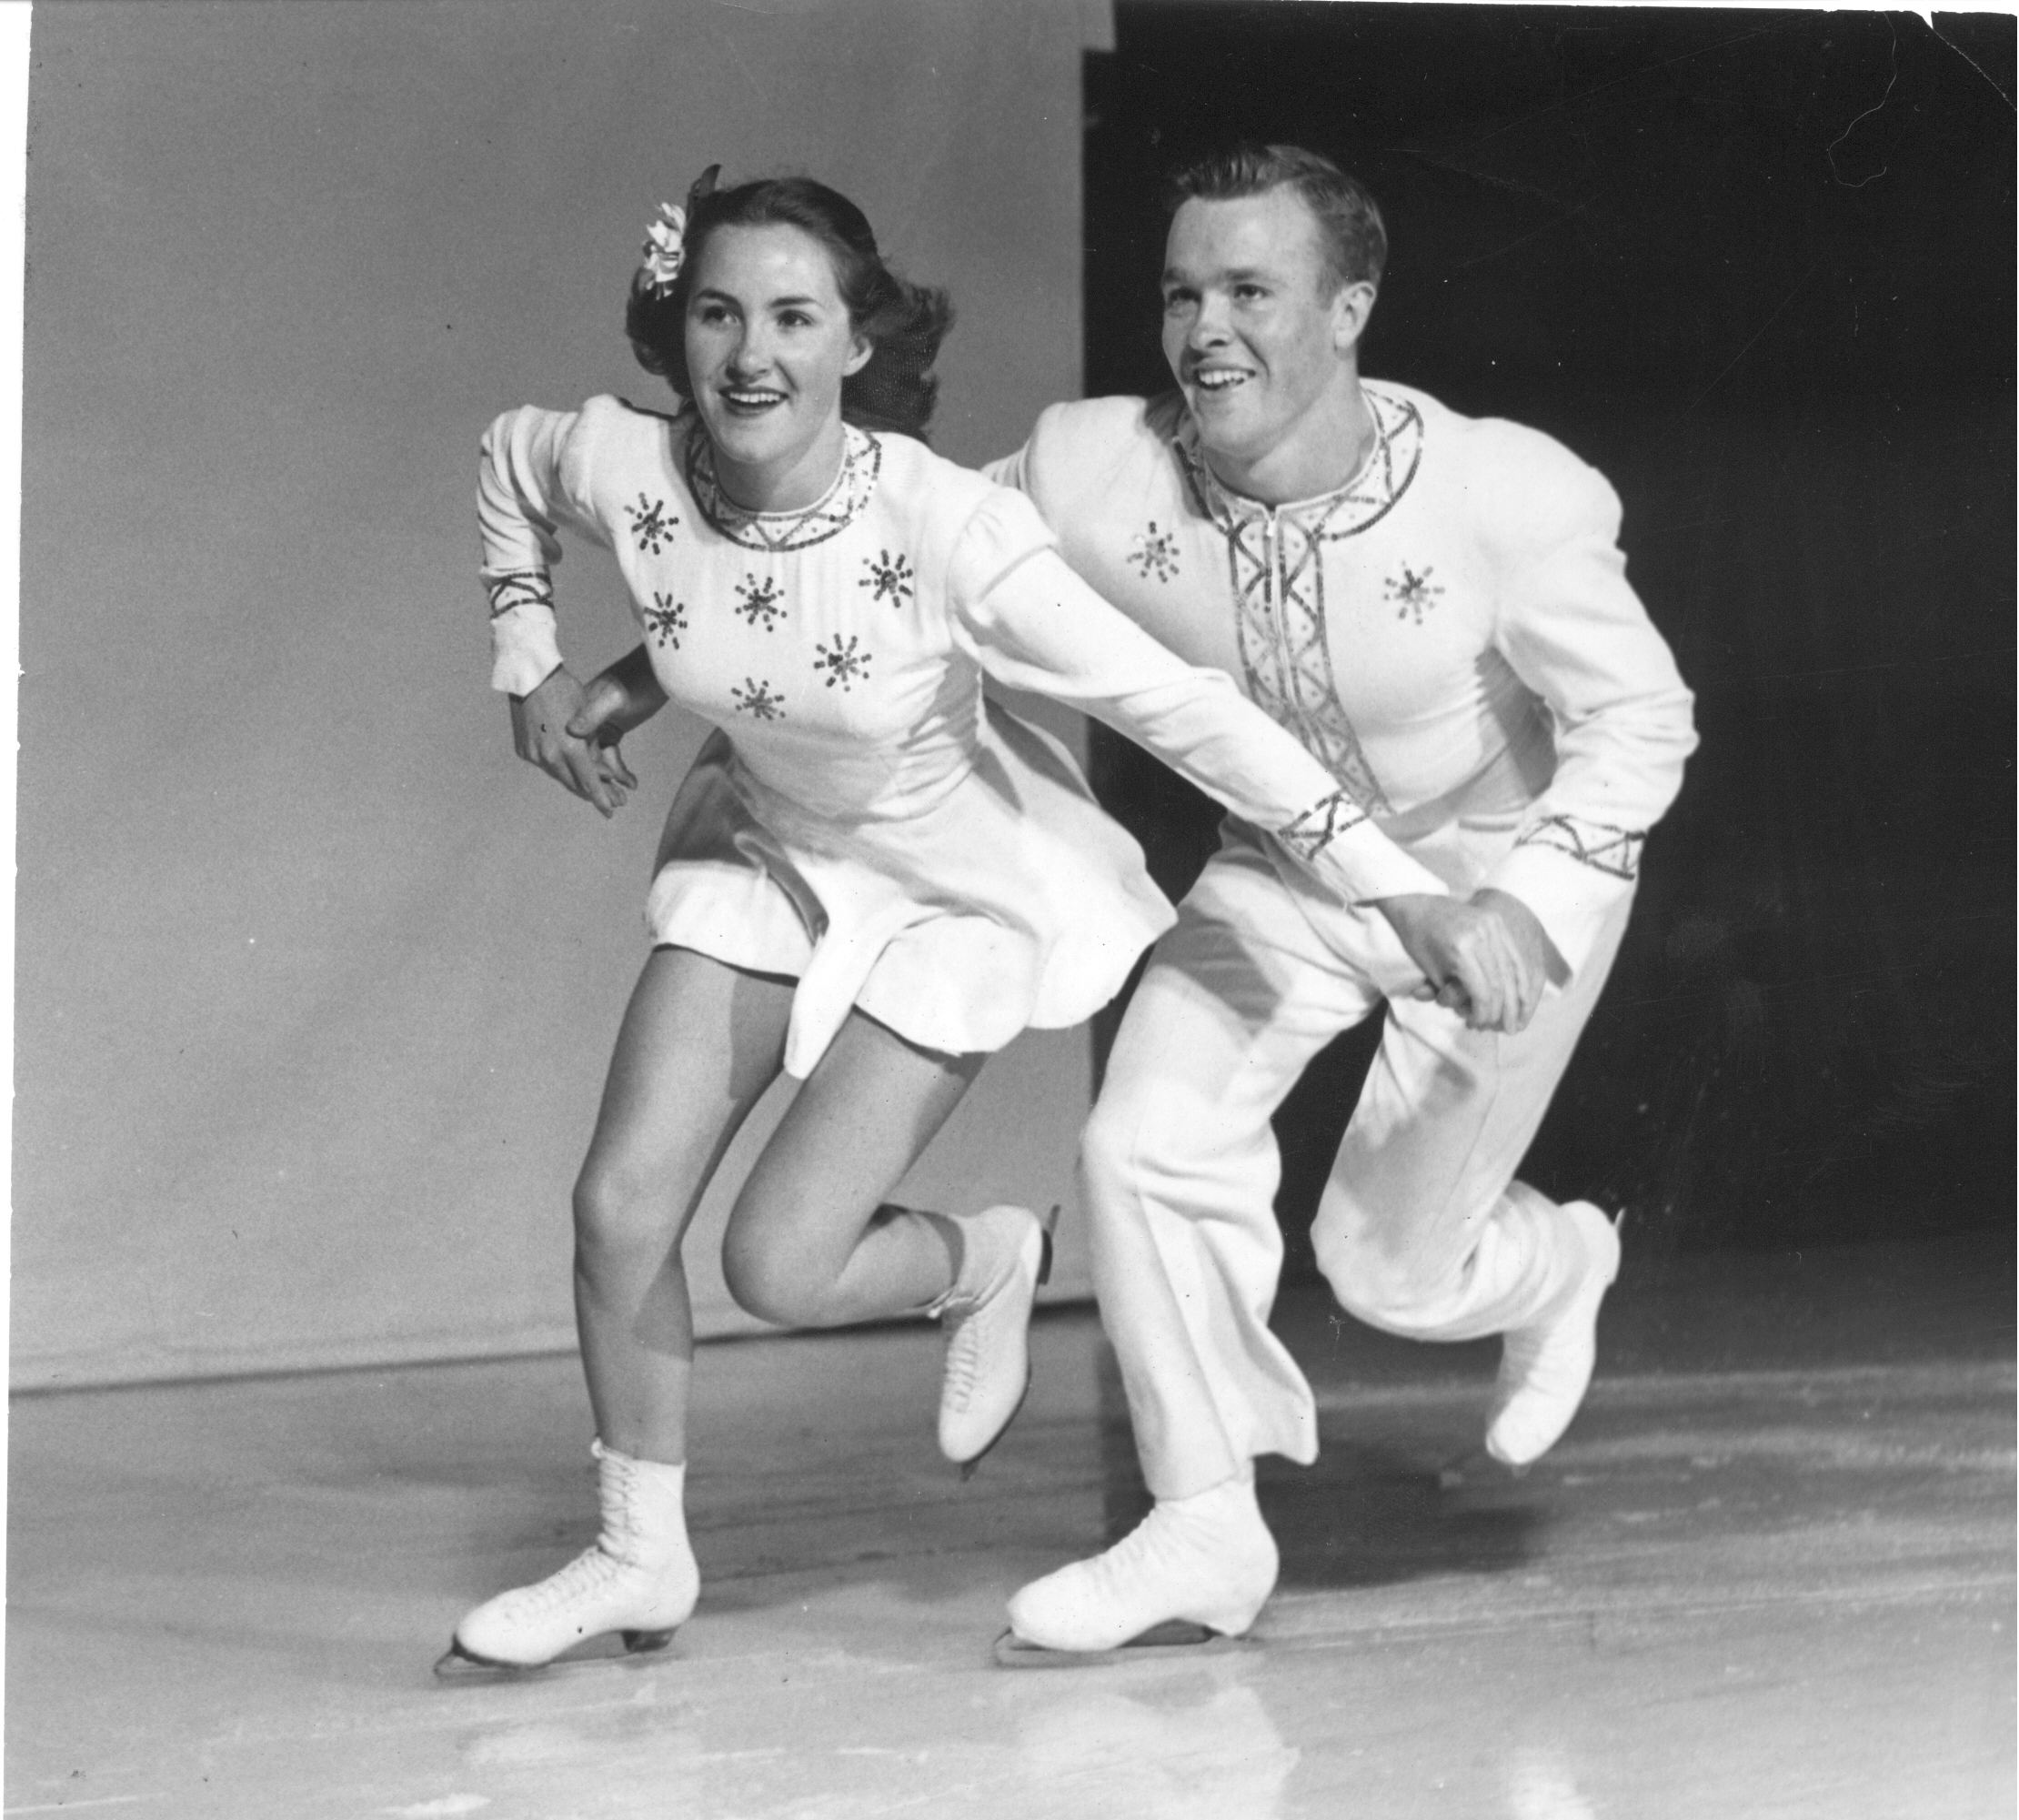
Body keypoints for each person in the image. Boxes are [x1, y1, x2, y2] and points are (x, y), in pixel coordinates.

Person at [442, 167, 1453, 1674]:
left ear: (859, 342)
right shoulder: (624, 464)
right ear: (680, 325)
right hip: (769, 842)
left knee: (778, 1269)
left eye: (796, 317)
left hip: (950, 884)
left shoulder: (948, 526)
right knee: (617, 1208)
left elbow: (1174, 706)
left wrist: (1401, 884)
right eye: (719, 313)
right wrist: (533, 665)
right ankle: (635, 1556)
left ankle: (982, 1260)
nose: (751, 355)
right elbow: (507, 469)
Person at [986, 145, 1698, 1655]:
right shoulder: (1089, 469)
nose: (1205, 332)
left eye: (1252, 289)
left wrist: (1537, 901)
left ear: (1352, 305)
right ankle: (1199, 1525)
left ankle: (1562, 1260)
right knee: (1137, 1143)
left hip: (1497, 883)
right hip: (1290, 872)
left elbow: (1642, 720)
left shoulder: (1506, 492)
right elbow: (894, 537)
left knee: (1385, 1272)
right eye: (1183, 294)